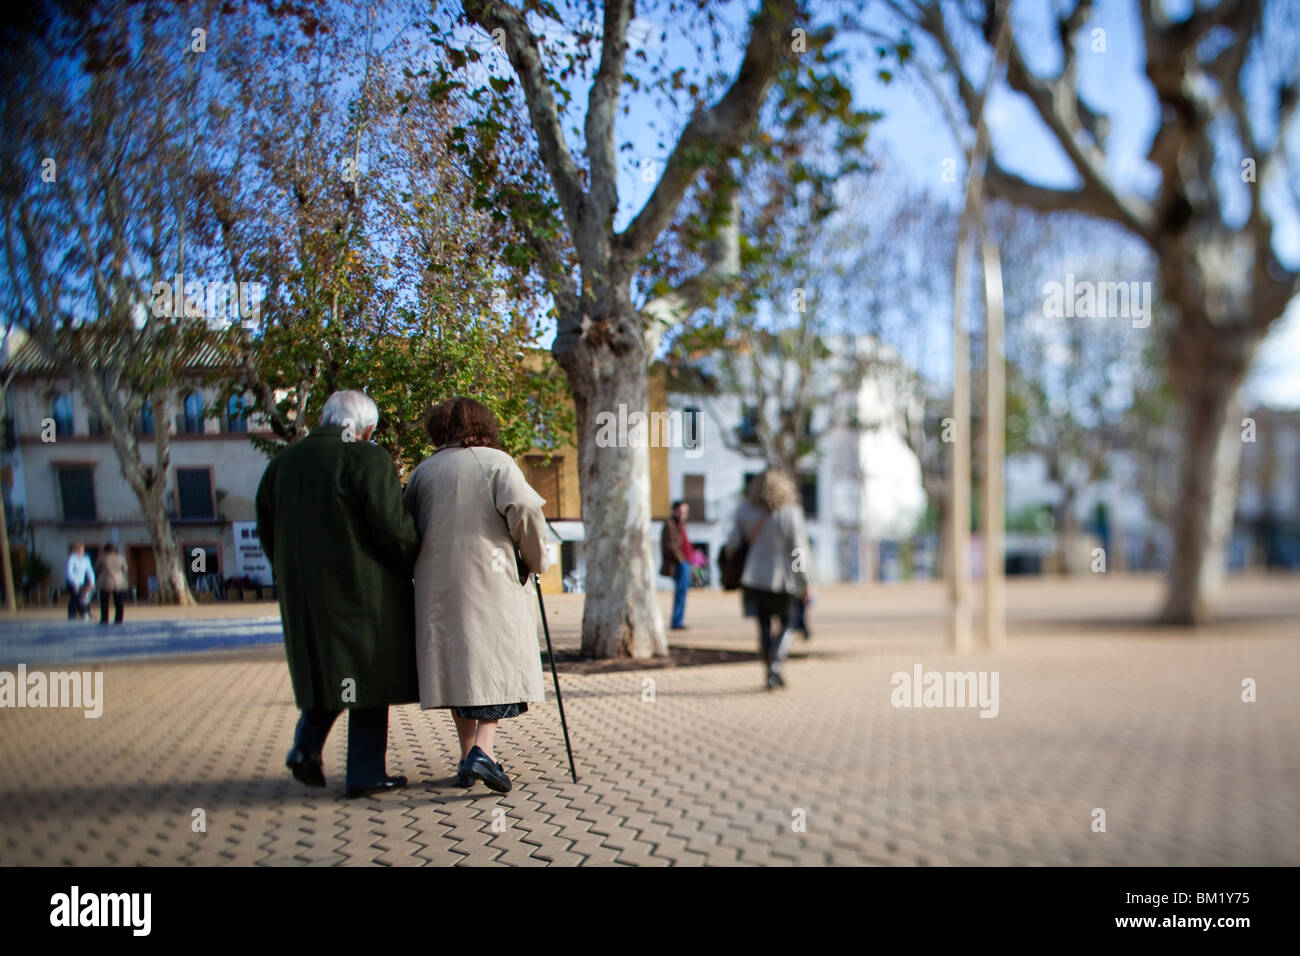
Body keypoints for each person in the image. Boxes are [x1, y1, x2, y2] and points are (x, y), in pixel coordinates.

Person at [255, 390, 421, 798]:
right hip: (363, 593)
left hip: (304, 596)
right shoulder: (367, 458)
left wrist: (290, 572)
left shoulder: (282, 465)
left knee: (332, 669)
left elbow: (266, 530)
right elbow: (394, 529)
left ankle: (306, 746)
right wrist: (415, 554)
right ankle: (365, 772)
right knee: (368, 675)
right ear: (366, 429)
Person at [404, 396, 550, 794]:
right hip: (491, 584)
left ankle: (469, 757)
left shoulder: (422, 474)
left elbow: (405, 529)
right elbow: (525, 508)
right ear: (484, 425)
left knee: (460, 671)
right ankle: (484, 752)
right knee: (493, 668)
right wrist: (535, 559)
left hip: (437, 589)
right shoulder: (496, 463)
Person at [725, 469, 812, 690]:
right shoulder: (790, 512)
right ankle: (774, 665)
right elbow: (797, 550)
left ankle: (771, 668)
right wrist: (803, 582)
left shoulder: (744, 510)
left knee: (763, 624)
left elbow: (732, 544)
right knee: (790, 622)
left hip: (753, 578)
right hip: (784, 579)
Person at [660, 500, 698, 630]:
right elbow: (669, 546)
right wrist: (681, 560)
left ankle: (679, 620)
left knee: (683, 593)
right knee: (680, 593)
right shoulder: (670, 524)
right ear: (674, 510)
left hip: (686, 563)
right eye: (681, 511)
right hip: (680, 564)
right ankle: (676, 622)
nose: (683, 514)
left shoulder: (681, 525)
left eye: (685, 512)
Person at [94, 543, 129, 625]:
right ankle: (119, 619)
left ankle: (104, 619)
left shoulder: (101, 558)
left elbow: (96, 568)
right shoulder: (120, 558)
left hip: (106, 581)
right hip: (118, 581)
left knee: (104, 602)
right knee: (119, 601)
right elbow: (125, 568)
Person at [65, 542, 95, 622]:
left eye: (82, 549)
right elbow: (69, 572)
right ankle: (72, 614)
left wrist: (92, 581)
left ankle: (85, 613)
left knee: (84, 598)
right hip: (72, 581)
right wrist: (74, 582)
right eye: (79, 549)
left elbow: (89, 570)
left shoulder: (86, 558)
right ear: (76, 550)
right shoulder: (72, 558)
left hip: (81, 581)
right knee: (74, 597)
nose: (81, 551)